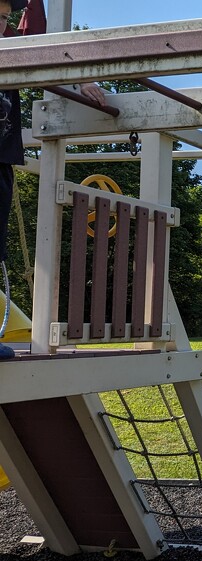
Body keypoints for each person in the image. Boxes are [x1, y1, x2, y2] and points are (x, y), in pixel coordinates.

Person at [0, 0, 106, 359]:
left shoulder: (12, 47)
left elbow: (44, 52)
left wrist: (83, 79)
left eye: (4, 18)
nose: (1, 25)